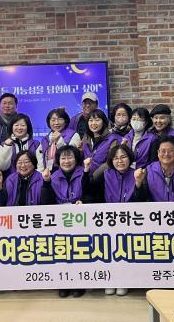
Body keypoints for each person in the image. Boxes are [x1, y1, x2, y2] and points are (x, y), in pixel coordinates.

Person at [103, 144, 147, 296]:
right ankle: (111, 280)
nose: (120, 161)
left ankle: (124, 280)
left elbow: (141, 200)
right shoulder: (106, 174)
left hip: (131, 221)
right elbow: (92, 190)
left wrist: (138, 183)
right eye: (116, 158)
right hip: (109, 220)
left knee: (126, 250)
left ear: (129, 158)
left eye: (123, 157)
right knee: (109, 251)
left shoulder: (137, 173)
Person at [46, 145, 89, 298]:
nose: (66, 161)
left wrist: (84, 202)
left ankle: (79, 283)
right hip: (60, 220)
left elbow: (91, 193)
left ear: (76, 159)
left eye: (70, 157)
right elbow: (47, 200)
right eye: (63, 158)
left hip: (81, 219)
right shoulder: (53, 177)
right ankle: (64, 283)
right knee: (61, 251)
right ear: (58, 161)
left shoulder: (84, 172)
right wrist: (46, 183)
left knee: (79, 250)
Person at [0, 113, 40, 177]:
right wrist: (7, 146)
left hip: (33, 180)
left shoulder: (36, 144)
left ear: (28, 127)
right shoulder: (4, 144)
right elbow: (2, 167)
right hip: (11, 180)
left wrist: (37, 179)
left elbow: (40, 166)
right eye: (16, 125)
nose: (19, 128)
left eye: (23, 125)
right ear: (11, 127)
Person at [36, 108, 80, 172]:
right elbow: (40, 159)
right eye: (53, 120)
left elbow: (70, 154)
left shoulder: (74, 135)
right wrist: (41, 173)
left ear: (65, 121)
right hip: (48, 172)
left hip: (67, 172)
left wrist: (59, 140)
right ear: (49, 122)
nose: (56, 123)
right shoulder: (45, 139)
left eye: (60, 119)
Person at [82, 109, 118, 180]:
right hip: (85, 177)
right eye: (91, 120)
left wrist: (93, 177)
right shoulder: (85, 138)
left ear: (104, 122)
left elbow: (110, 162)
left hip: (103, 180)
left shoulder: (112, 140)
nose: (93, 123)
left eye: (97, 120)